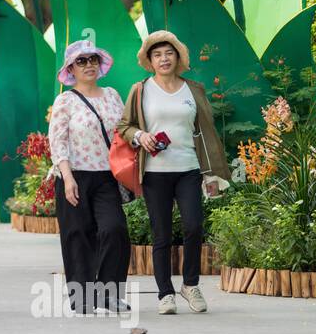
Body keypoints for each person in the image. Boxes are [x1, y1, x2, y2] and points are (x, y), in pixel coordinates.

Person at [116, 30, 230, 316]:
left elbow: (207, 132)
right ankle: (165, 293)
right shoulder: (140, 89)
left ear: (178, 57)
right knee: (162, 234)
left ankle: (190, 285)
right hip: (155, 172)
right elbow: (123, 126)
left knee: (194, 226)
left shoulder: (193, 90)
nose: (163, 59)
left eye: (168, 53)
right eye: (157, 55)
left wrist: (212, 175)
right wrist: (140, 136)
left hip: (189, 169)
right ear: (150, 61)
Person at [48, 40, 131, 315]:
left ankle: (109, 293)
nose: (89, 65)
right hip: (74, 176)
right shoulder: (65, 100)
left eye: (93, 59)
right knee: (77, 235)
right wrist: (67, 177)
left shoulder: (112, 95)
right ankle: (81, 296)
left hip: (107, 176)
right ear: (71, 68)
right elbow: (57, 141)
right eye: (81, 61)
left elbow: (123, 133)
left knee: (114, 229)